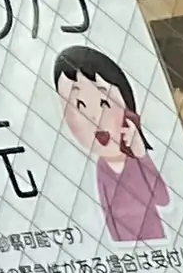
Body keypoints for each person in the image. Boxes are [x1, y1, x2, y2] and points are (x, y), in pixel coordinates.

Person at [53, 46, 169, 242]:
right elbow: (108, 216)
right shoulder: (102, 167)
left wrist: (141, 155)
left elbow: (163, 198)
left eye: (104, 104)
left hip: (156, 245)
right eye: (80, 106)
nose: (95, 117)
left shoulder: (138, 161)